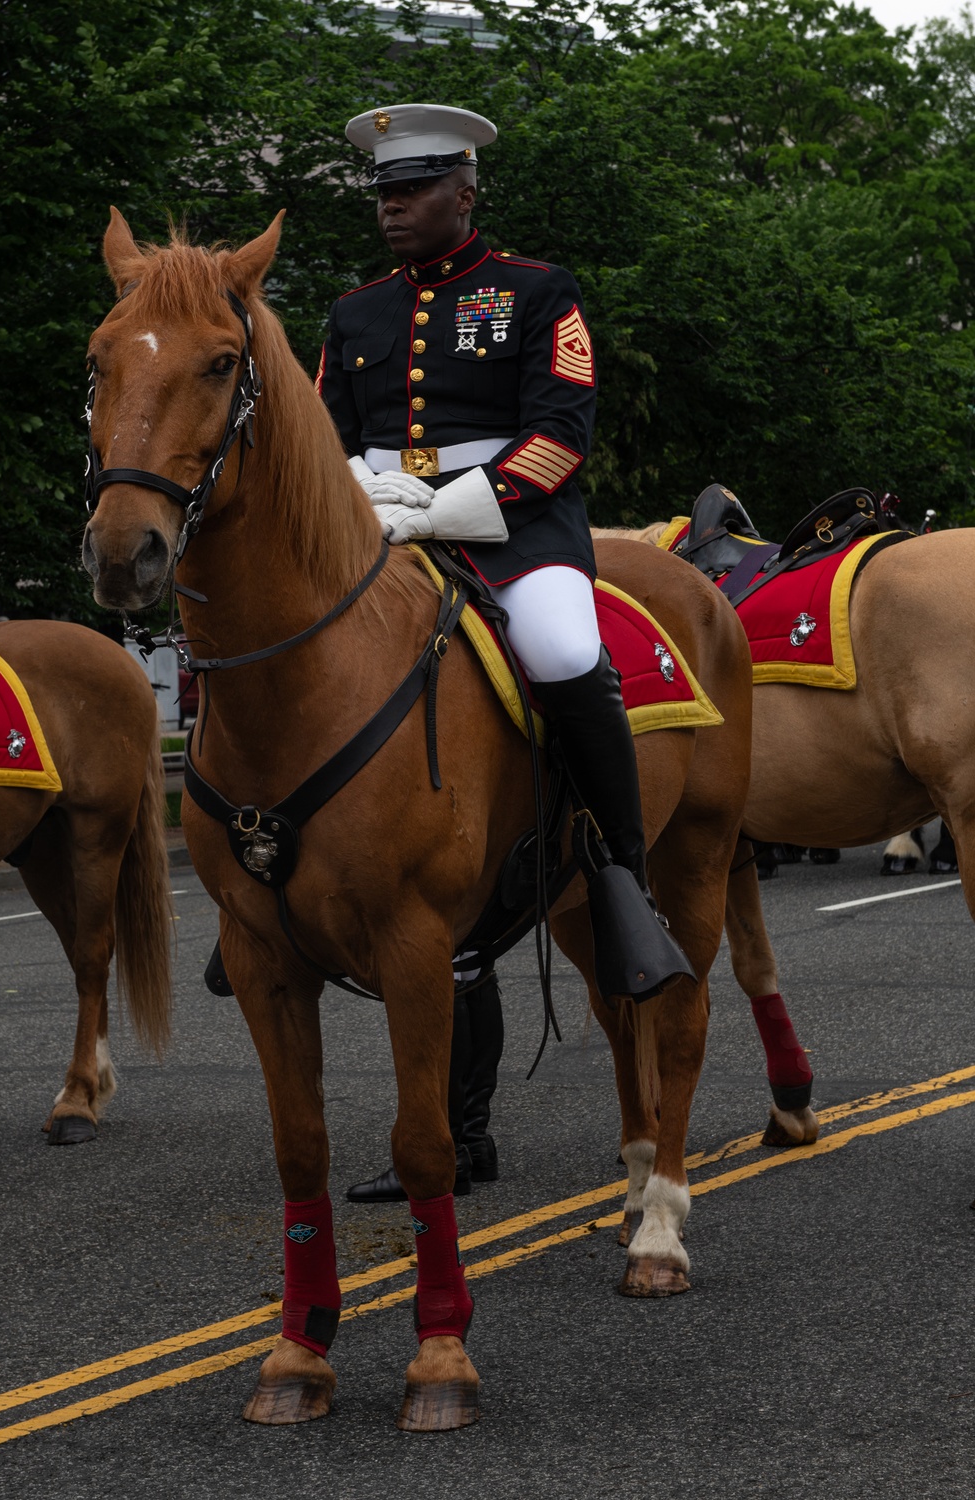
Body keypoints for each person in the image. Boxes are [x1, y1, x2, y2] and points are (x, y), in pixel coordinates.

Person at [319, 103, 692, 1203]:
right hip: (374, 530)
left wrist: (448, 505)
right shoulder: (353, 312)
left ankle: (618, 868)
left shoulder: (536, 292)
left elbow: (561, 430)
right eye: (383, 191)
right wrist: (358, 496)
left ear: (465, 192)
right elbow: (329, 435)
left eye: (414, 188)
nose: (392, 206)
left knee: (564, 647)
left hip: (511, 533)